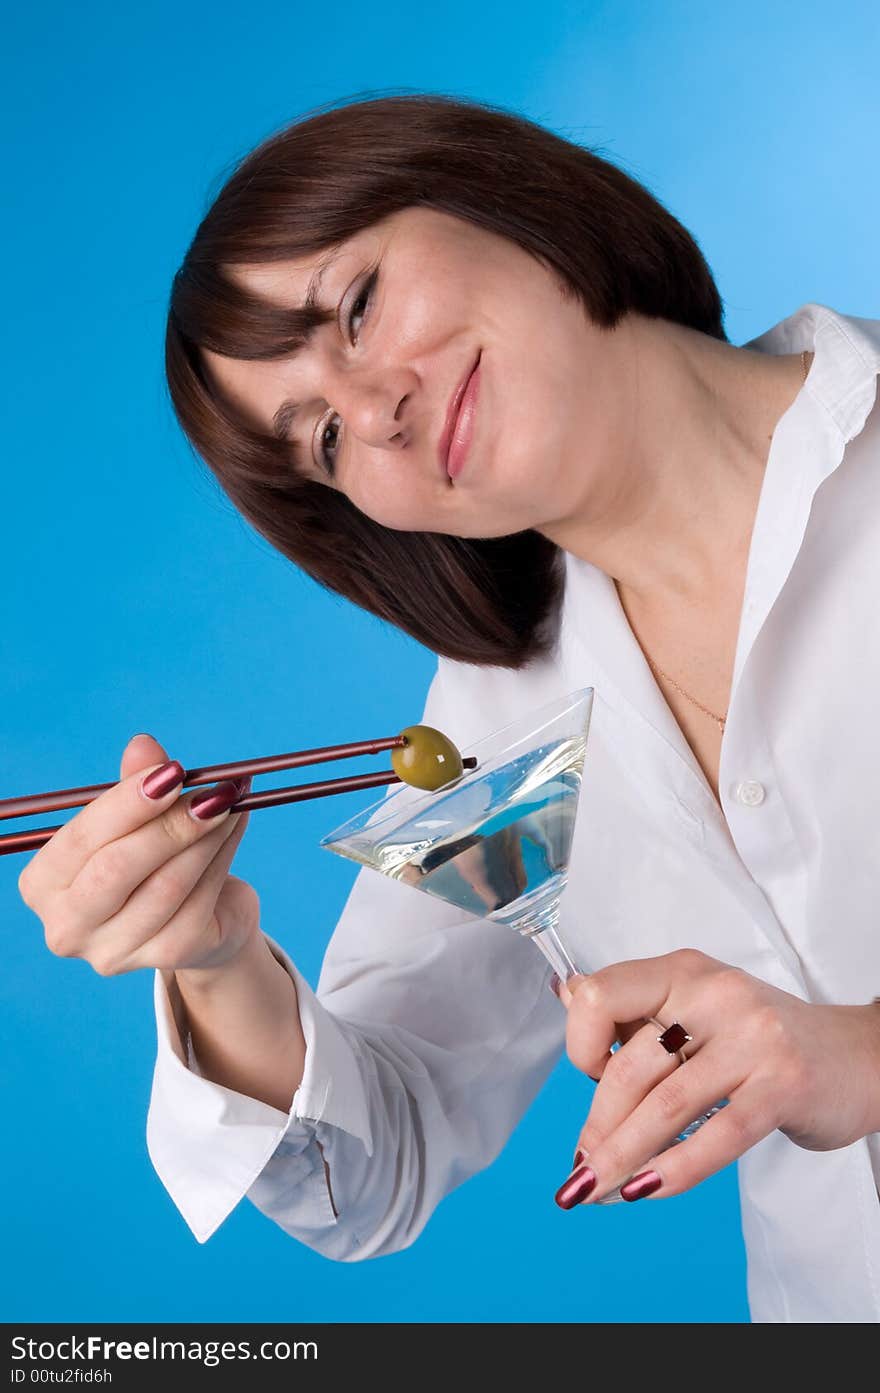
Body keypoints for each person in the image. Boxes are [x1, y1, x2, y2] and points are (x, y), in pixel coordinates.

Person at [18, 94, 880, 1323]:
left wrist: (858, 1054)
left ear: (493, 191)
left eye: (357, 307)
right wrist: (211, 960)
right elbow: (380, 1154)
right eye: (321, 438)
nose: (373, 409)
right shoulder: (499, 735)